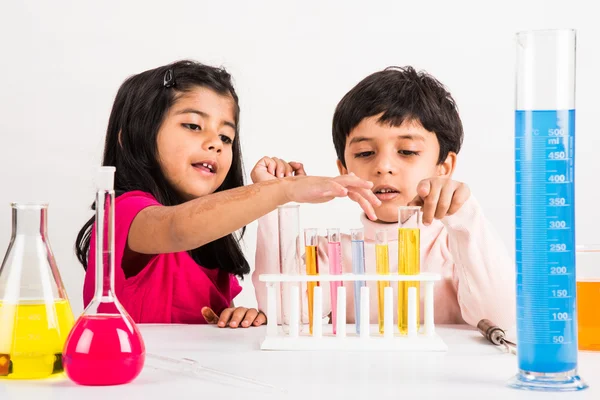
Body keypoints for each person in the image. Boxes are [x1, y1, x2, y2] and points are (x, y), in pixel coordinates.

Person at [74, 60, 380, 328]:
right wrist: (280, 190)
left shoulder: (210, 253)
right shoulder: (123, 212)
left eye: (226, 136)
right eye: (193, 125)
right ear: (132, 137)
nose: (216, 144)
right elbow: (177, 227)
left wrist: (238, 316)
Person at [252, 66, 516, 330]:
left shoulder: (456, 247)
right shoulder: (330, 254)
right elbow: (284, 315)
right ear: (344, 170)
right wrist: (273, 199)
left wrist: (464, 214)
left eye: (407, 151)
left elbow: (504, 322)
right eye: (365, 153)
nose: (384, 166)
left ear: (443, 168)